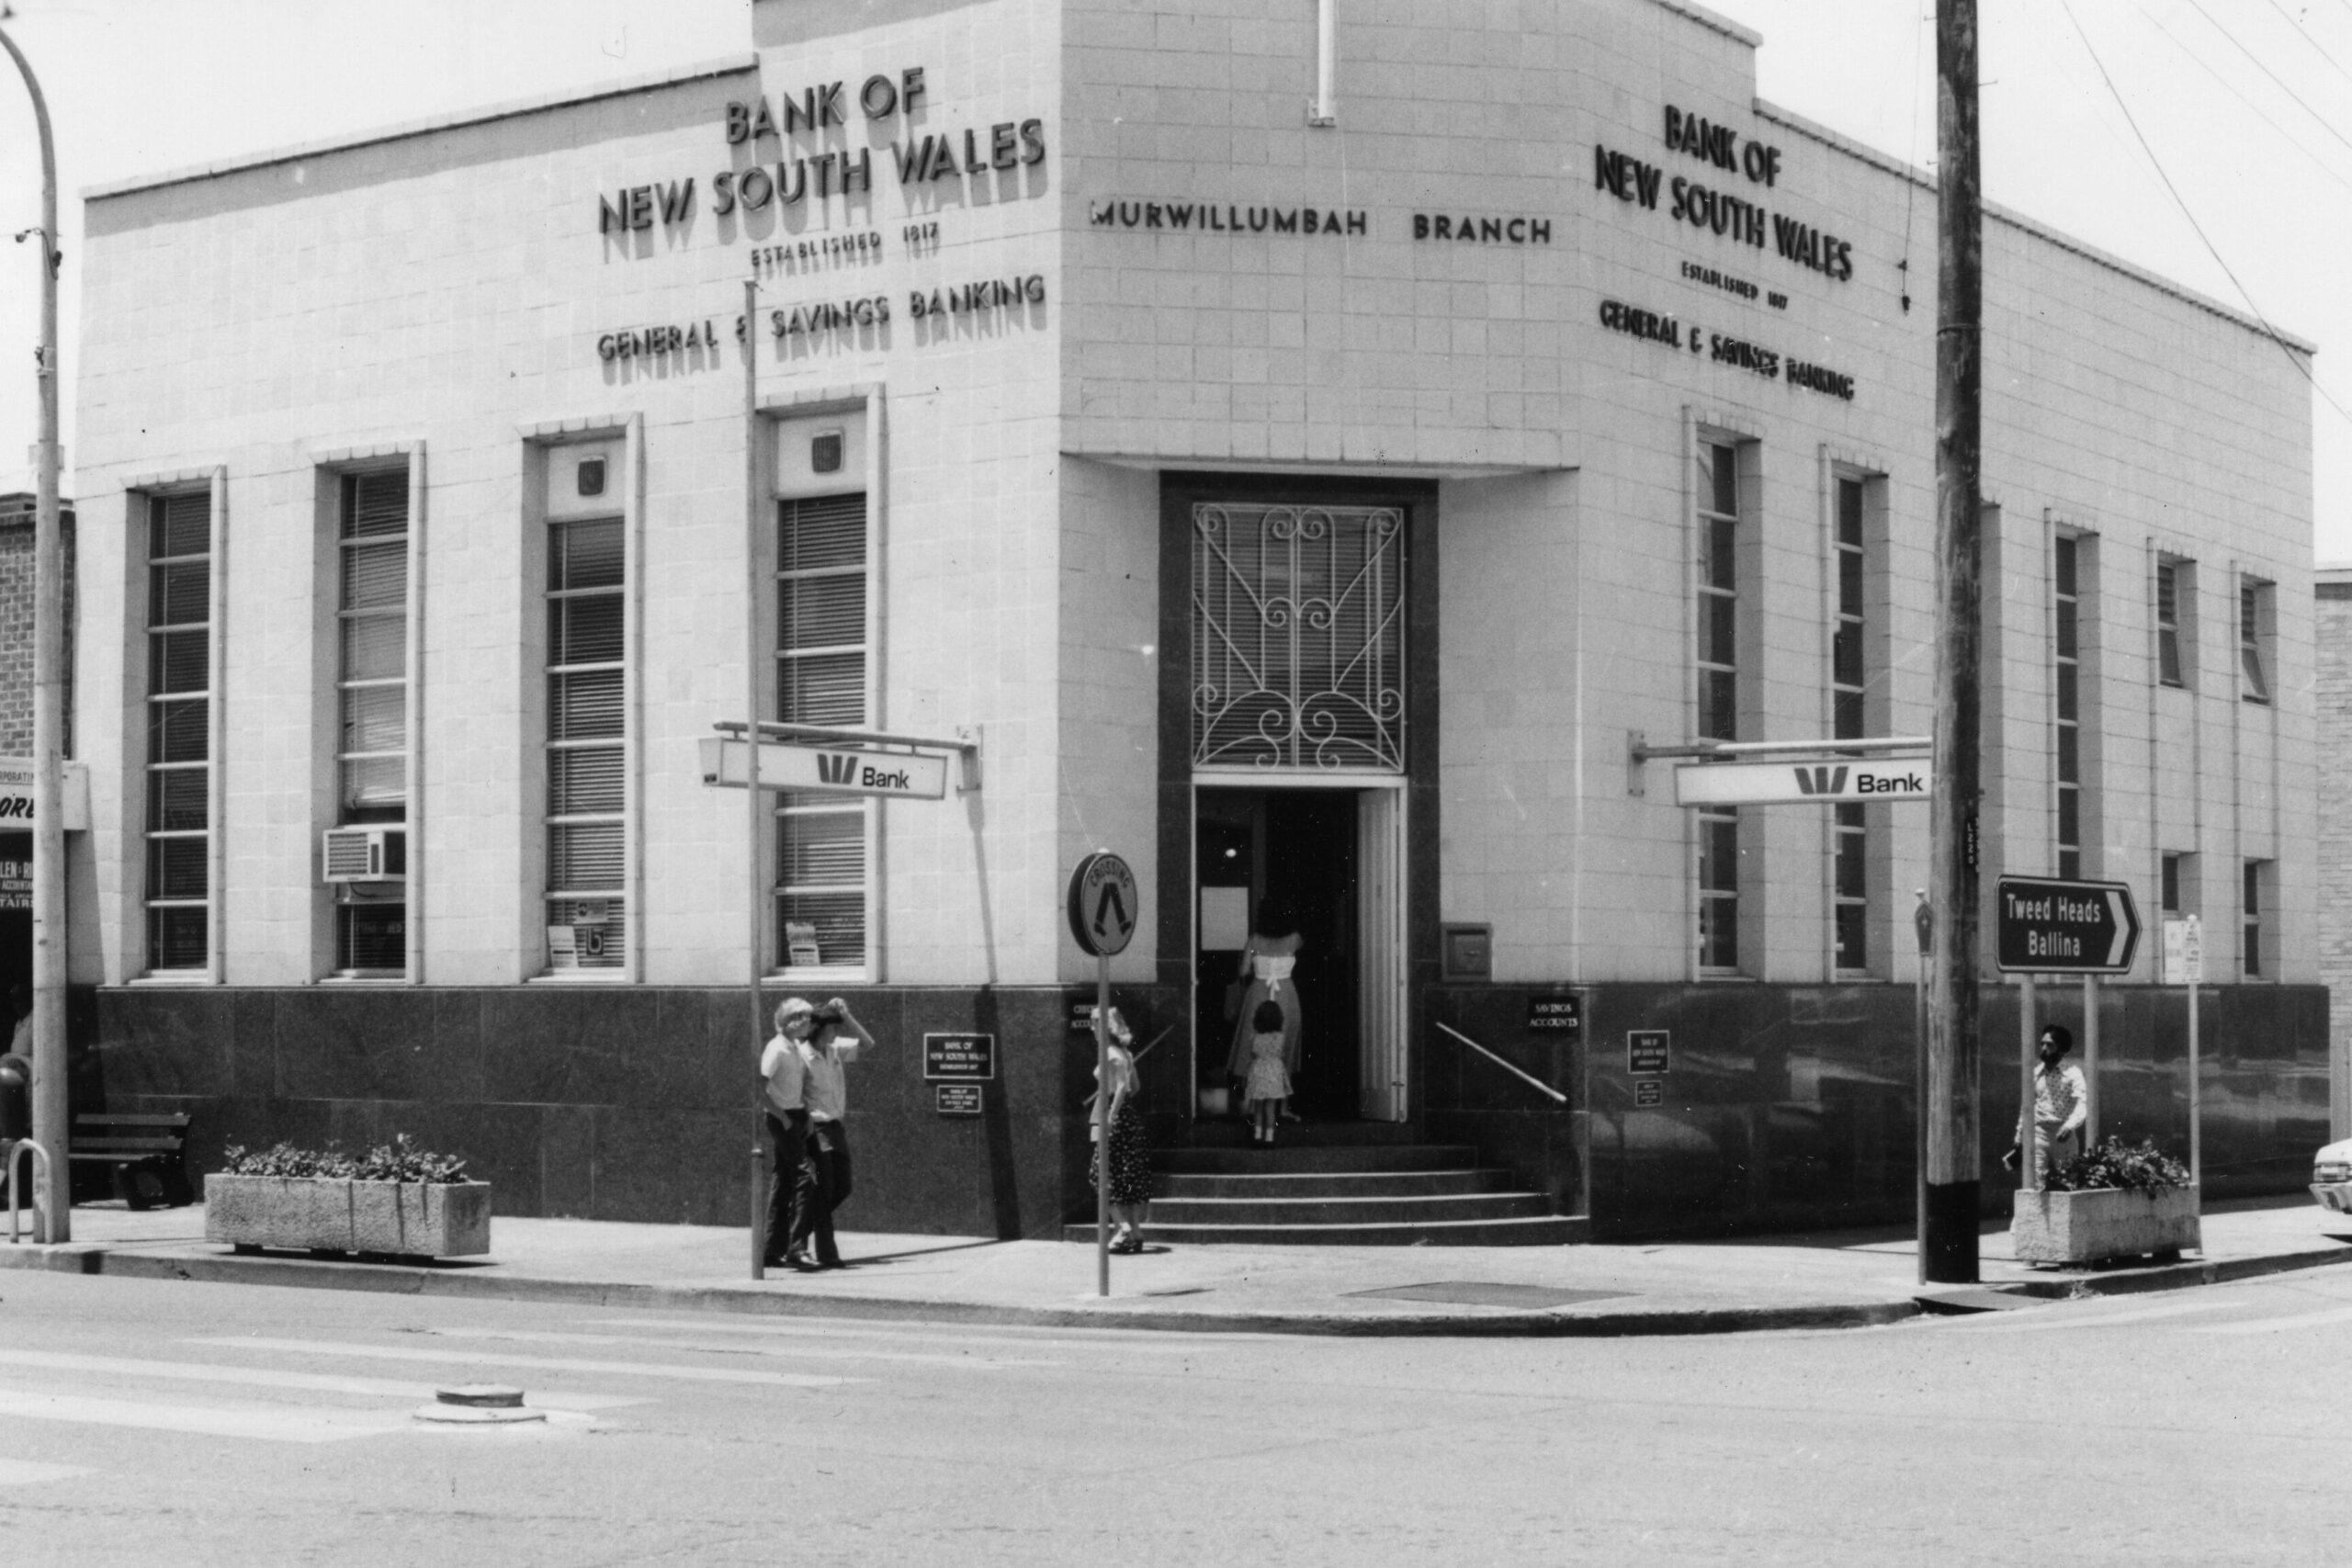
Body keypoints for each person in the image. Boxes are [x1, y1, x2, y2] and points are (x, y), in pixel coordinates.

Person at [764, 995, 876, 1270]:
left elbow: (868, 1044)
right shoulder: (798, 1053)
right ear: (818, 1028)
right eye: (831, 1026)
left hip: (834, 1125)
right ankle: (816, 1250)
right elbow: (784, 1089)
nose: (836, 1031)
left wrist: (847, 1015)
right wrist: (794, 1122)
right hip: (814, 1125)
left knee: (840, 1186)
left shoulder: (834, 1050)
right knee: (819, 1188)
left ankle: (789, 1238)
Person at [1225, 897, 1303, 1118]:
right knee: (1284, 1048)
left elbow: (1243, 972)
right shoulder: (1295, 940)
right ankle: (1283, 1107)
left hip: (1258, 993)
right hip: (1286, 994)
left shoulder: (1254, 940)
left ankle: (1252, 1103)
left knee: (1251, 1048)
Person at [1085, 1003, 1153, 1253]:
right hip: (1128, 1117)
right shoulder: (1125, 1053)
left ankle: (1123, 1226)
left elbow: (1124, 1086)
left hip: (1113, 1116)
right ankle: (1135, 1232)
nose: (1091, 1026)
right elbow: (1136, 1087)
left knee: (1100, 1173)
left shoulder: (1111, 1053)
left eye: (1094, 1021)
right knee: (1127, 1176)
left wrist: (1111, 1114)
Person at [2006, 1023, 2089, 1183]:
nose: (2044, 1048)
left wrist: (2070, 1125)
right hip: (2039, 1134)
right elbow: (2027, 1106)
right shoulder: (2036, 1073)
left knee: (2067, 1181)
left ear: (2061, 1049)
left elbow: (2082, 1104)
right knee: (2037, 1182)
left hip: (2063, 1136)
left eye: (2049, 1045)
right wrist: (2019, 1135)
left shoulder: (2073, 1073)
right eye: (2042, 1044)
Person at [1241, 998, 1293, 1145]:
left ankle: (1257, 1136)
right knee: (1270, 1109)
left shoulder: (1255, 1037)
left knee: (1258, 1107)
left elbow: (1252, 1054)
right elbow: (1282, 1053)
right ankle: (1269, 1138)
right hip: (1274, 1075)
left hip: (1258, 1073)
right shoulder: (1280, 1038)